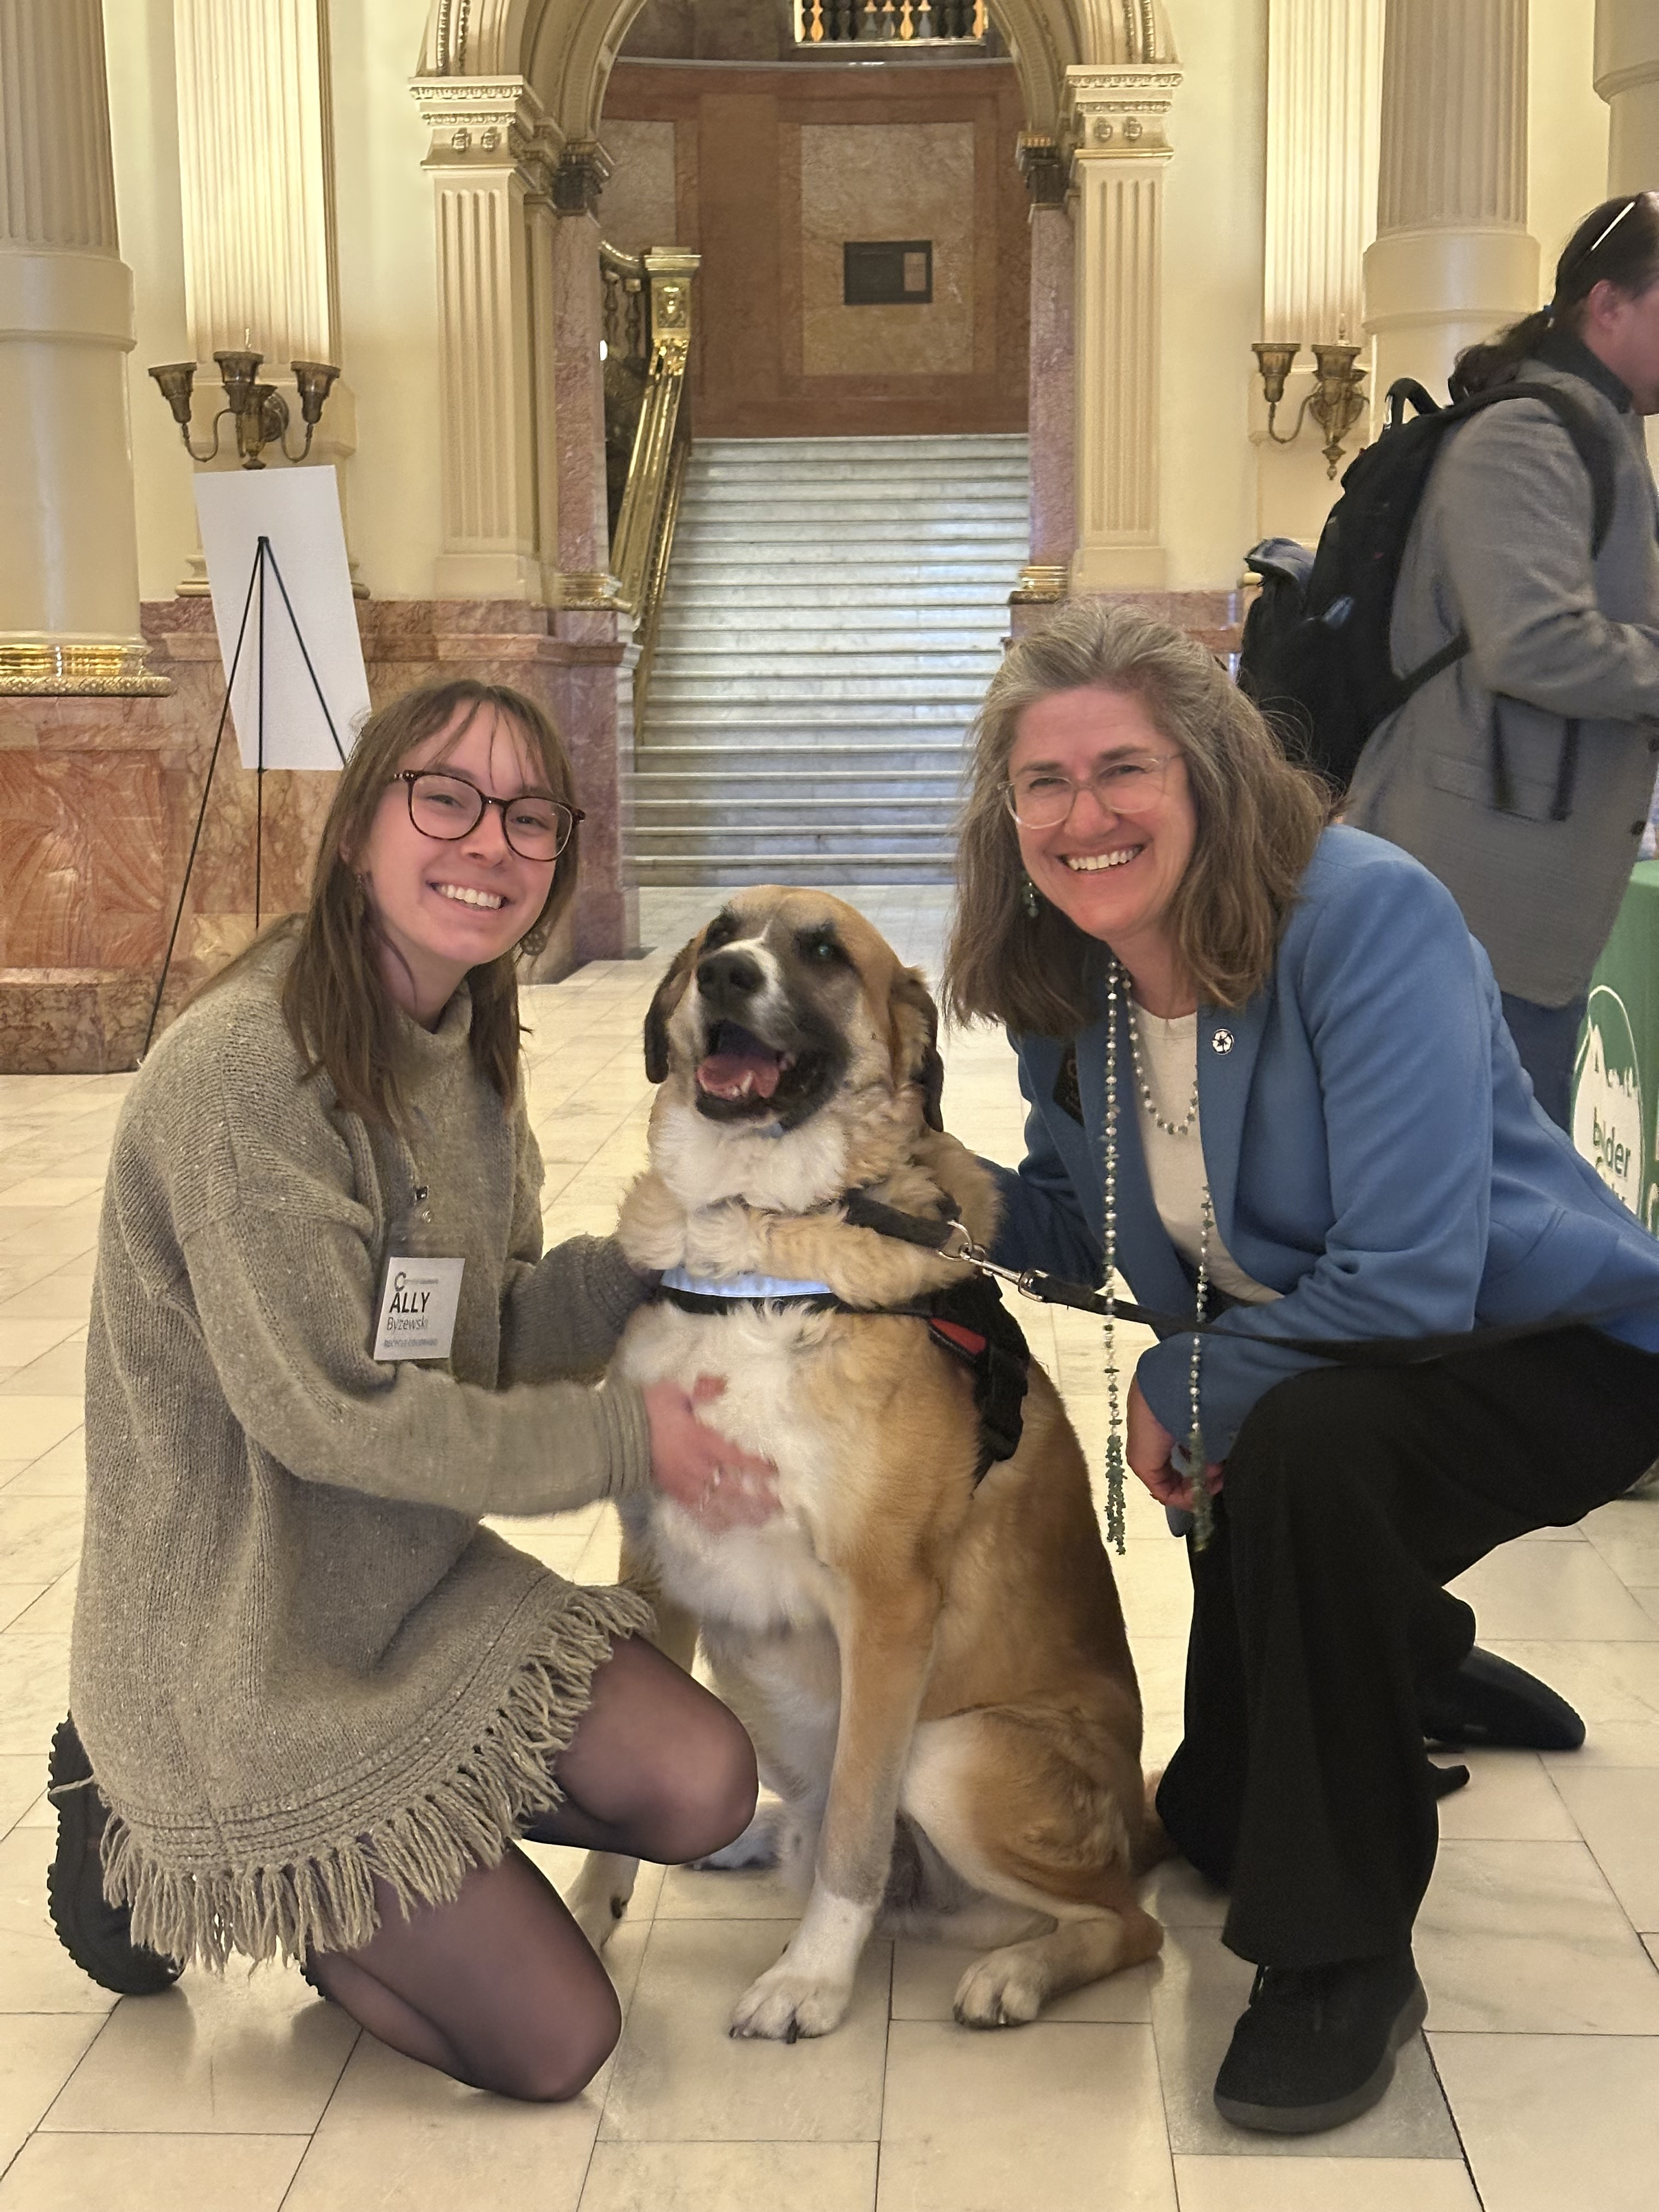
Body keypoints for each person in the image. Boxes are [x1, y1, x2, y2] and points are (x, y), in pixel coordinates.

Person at [943, 601, 1659, 2135]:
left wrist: (1181, 1388)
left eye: (1122, 768)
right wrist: (925, 1185)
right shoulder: (1073, 984)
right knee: (1208, 1811)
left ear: (1206, 768)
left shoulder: (1359, 915)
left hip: (1545, 1343)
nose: (1085, 817)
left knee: (1309, 1455)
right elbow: (1090, 1223)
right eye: (1043, 783)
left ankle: (1340, 1961)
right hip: (1324, 1366)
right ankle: (1395, 1647)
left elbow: (1410, 1271)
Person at [50, 676, 778, 2101]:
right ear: (355, 833)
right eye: (444, 798)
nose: (489, 843)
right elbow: (329, 1415)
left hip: (406, 1589)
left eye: (527, 817)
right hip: (241, 1637)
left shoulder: (465, 1046)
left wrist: (654, 1261)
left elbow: (476, 1329)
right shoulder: (249, 1076)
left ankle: (413, 1839)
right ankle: (143, 1809)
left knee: (704, 1784)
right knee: (558, 2044)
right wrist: (625, 1438)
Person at [1344, 190, 1659, 1132]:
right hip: (1474, 887)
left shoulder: (1595, 427)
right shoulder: (1528, 432)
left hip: (1517, 875)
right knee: (1475, 1178)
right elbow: (1536, 642)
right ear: (1609, 305)